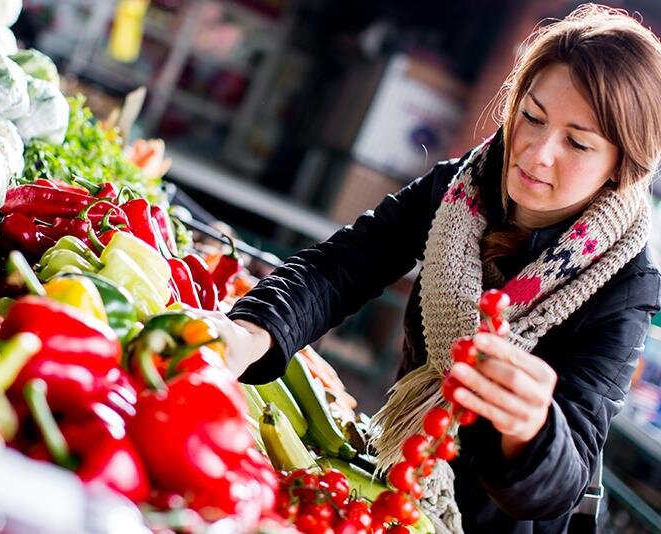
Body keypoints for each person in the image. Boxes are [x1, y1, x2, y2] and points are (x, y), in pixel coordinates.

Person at [201, 4, 661, 533]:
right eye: (531, 117)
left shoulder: (626, 284)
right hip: (398, 483)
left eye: (578, 143)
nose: (537, 153)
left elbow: (567, 475)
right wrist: (249, 333)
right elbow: (341, 268)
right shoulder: (459, 192)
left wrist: (535, 428)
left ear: (621, 168)